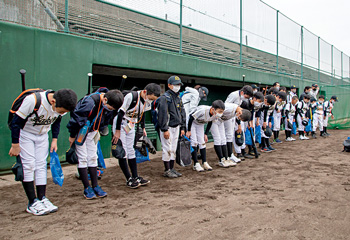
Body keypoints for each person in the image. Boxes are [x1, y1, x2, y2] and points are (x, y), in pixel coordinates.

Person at [9, 89, 77, 215]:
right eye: (62, 111)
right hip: (26, 134)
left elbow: (57, 121)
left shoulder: (62, 104)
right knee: (29, 165)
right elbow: (16, 122)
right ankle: (32, 202)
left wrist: (55, 139)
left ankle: (42, 198)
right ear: (53, 101)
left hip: (43, 135)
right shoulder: (33, 100)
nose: (63, 113)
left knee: (41, 165)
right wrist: (15, 144)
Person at [67, 88, 124, 199]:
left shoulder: (108, 107)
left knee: (93, 157)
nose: (110, 109)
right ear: (105, 99)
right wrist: (72, 135)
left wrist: (101, 129)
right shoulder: (90, 102)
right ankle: (86, 188)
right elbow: (77, 118)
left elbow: (106, 119)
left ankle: (95, 186)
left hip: (93, 132)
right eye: (110, 107)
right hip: (81, 132)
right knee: (83, 158)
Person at [112, 83, 161, 189]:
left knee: (131, 150)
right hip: (121, 123)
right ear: (145, 92)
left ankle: (135, 176)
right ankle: (128, 178)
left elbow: (141, 113)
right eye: (150, 98)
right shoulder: (132, 96)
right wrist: (117, 131)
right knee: (123, 151)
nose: (150, 101)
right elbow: (120, 113)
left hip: (131, 124)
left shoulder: (147, 103)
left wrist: (143, 128)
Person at [158, 76, 186, 178]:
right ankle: (167, 170)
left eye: (178, 84)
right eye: (175, 84)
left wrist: (183, 127)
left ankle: (172, 168)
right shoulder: (165, 98)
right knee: (167, 148)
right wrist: (164, 129)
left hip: (177, 126)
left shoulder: (178, 97)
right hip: (168, 127)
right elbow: (162, 114)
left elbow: (182, 112)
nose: (177, 86)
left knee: (173, 148)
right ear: (169, 85)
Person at [187, 100, 225, 171]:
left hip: (200, 124)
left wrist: (206, 134)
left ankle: (204, 162)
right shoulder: (202, 110)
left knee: (202, 141)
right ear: (213, 109)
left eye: (222, 112)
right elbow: (191, 117)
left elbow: (210, 122)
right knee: (194, 141)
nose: (221, 113)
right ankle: (196, 163)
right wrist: (188, 130)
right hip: (193, 122)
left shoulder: (215, 115)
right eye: (220, 111)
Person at [226, 85, 254, 160]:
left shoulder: (240, 98)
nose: (246, 98)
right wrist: (238, 124)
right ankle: (237, 153)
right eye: (246, 96)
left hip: (236, 116)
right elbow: (226, 106)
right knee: (234, 135)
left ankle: (242, 151)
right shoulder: (234, 95)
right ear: (242, 92)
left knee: (241, 134)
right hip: (229, 117)